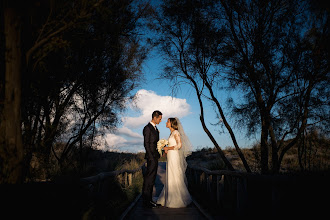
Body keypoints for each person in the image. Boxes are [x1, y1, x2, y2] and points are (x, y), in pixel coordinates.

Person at [156, 117, 192, 208]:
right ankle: (168, 197)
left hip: (174, 157)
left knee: (174, 175)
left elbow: (179, 145)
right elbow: (174, 145)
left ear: (172, 123)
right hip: (170, 156)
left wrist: (168, 148)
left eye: (167, 121)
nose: (166, 122)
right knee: (170, 175)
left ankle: (176, 199)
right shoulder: (171, 133)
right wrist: (166, 150)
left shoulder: (176, 132)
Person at [142, 110, 163, 208]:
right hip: (151, 158)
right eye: (160, 118)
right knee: (148, 179)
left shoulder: (155, 128)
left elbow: (155, 143)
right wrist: (150, 157)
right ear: (155, 117)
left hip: (155, 157)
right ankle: (146, 201)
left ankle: (149, 200)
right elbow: (146, 144)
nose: (160, 120)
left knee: (152, 179)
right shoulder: (147, 128)